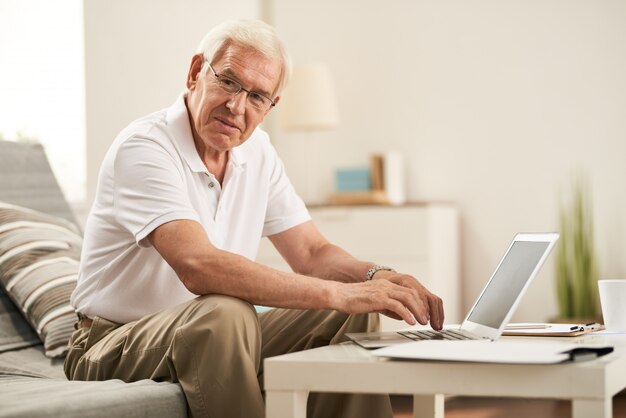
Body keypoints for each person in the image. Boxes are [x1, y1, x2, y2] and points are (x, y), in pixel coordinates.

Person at [64, 19, 444, 418]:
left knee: (344, 315)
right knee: (225, 313)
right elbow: (198, 266)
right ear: (196, 72)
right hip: (111, 343)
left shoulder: (257, 151)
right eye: (228, 81)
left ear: (270, 108)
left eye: (258, 96)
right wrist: (337, 291)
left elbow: (312, 253)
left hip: (212, 333)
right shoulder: (144, 148)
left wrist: (375, 278)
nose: (237, 106)